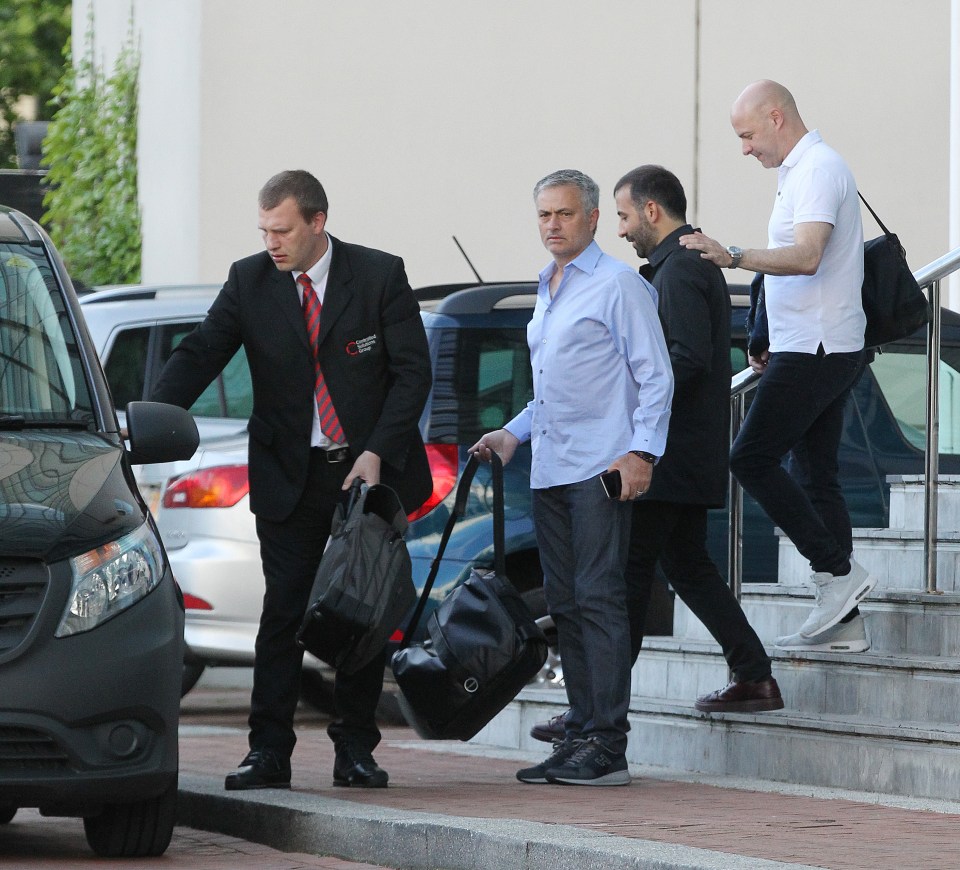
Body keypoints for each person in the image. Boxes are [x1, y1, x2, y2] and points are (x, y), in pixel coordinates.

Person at [150, 169, 432, 791]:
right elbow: (201, 352)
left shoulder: (379, 276)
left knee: (362, 610)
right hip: (288, 475)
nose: (271, 243)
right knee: (282, 613)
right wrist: (151, 417)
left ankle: (355, 749)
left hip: (366, 478)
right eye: (264, 231)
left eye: (281, 231)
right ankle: (268, 751)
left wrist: (377, 452)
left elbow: (413, 374)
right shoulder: (249, 280)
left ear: (317, 223)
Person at [471, 169, 673, 786]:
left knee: (599, 599)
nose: (552, 225)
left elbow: (657, 376)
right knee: (565, 603)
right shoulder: (548, 286)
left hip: (600, 469)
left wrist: (641, 455)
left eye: (563, 214)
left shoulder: (618, 286)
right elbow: (554, 389)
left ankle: (607, 745)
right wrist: (512, 433)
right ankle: (581, 732)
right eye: (543, 216)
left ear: (591, 219)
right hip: (551, 467)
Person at [679, 80, 876, 648]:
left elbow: (809, 255)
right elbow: (796, 263)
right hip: (810, 341)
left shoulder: (817, 169)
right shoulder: (799, 170)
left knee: (751, 456)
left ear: (775, 118)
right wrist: (764, 329)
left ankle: (839, 575)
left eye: (746, 136)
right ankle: (844, 620)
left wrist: (731, 255)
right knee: (815, 476)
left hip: (819, 345)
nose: (744, 149)